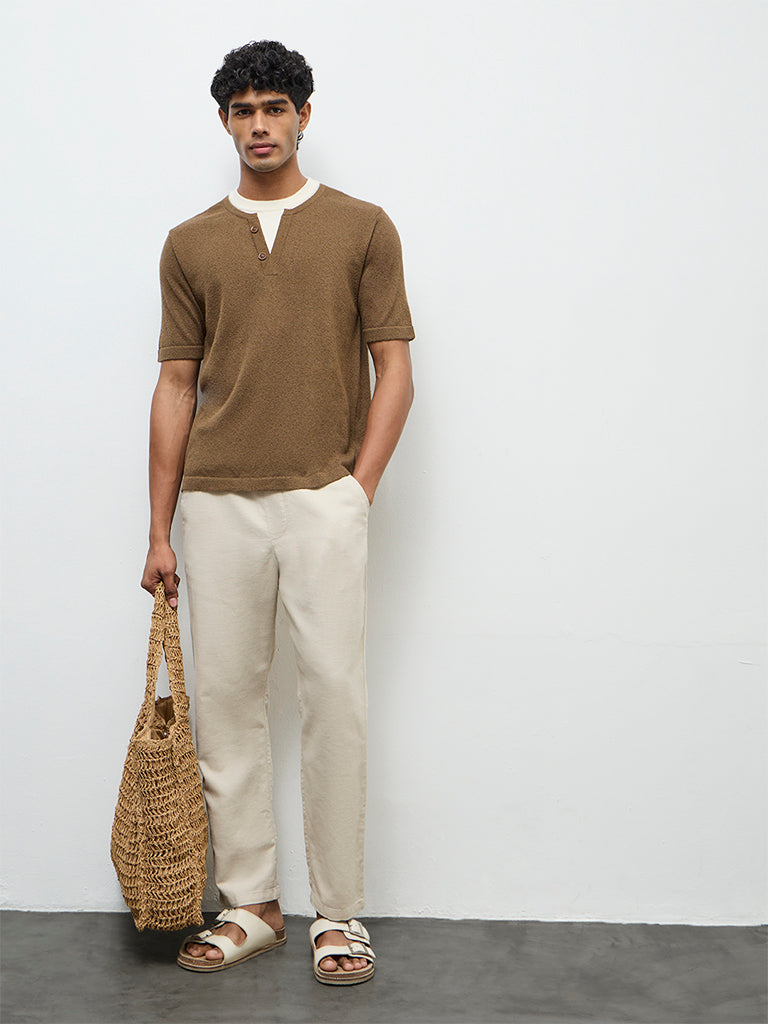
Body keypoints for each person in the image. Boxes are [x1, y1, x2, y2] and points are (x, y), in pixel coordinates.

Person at [140, 39, 415, 986]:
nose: (259, 125)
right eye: (243, 110)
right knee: (225, 703)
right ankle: (251, 903)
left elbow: (395, 369)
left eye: (274, 108)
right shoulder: (190, 243)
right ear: (224, 122)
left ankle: (339, 914)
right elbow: (176, 385)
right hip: (217, 504)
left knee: (334, 695)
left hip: (322, 498)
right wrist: (158, 530)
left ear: (303, 116)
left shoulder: (362, 227)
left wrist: (356, 487)